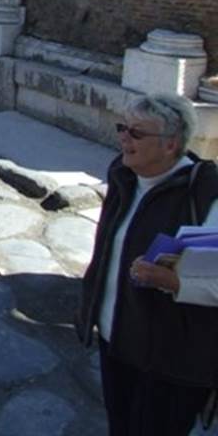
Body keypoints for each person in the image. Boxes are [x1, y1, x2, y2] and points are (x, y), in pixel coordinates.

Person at [76, 93, 218, 435]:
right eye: (123, 127)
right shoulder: (124, 177)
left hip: (172, 361)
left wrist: (175, 283)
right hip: (118, 340)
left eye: (137, 133)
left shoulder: (206, 196)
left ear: (170, 145)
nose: (124, 138)